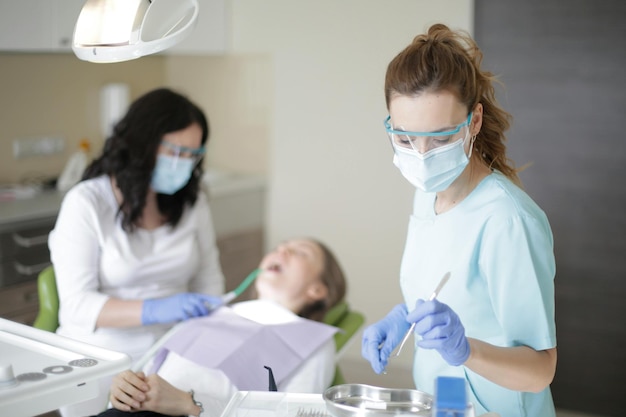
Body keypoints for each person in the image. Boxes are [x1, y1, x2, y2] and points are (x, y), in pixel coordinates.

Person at [361, 24, 557, 417]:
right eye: (404, 138)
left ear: (474, 121)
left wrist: (465, 349)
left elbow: (540, 371)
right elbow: (446, 290)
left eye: (440, 138)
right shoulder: (427, 196)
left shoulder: (507, 221)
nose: (421, 155)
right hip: (445, 404)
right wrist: (405, 317)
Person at [48, 88, 225, 417]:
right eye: (176, 152)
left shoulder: (193, 201)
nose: (184, 164)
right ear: (142, 144)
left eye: (193, 154)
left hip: (177, 351)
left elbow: (208, 279)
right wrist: (155, 309)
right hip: (102, 356)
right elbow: (77, 305)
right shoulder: (87, 202)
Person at [96, 237, 347, 417]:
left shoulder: (313, 339)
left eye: (300, 252)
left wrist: (190, 405)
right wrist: (125, 389)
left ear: (318, 290)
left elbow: (292, 414)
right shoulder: (213, 314)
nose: (281, 251)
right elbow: (147, 372)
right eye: (278, 247)